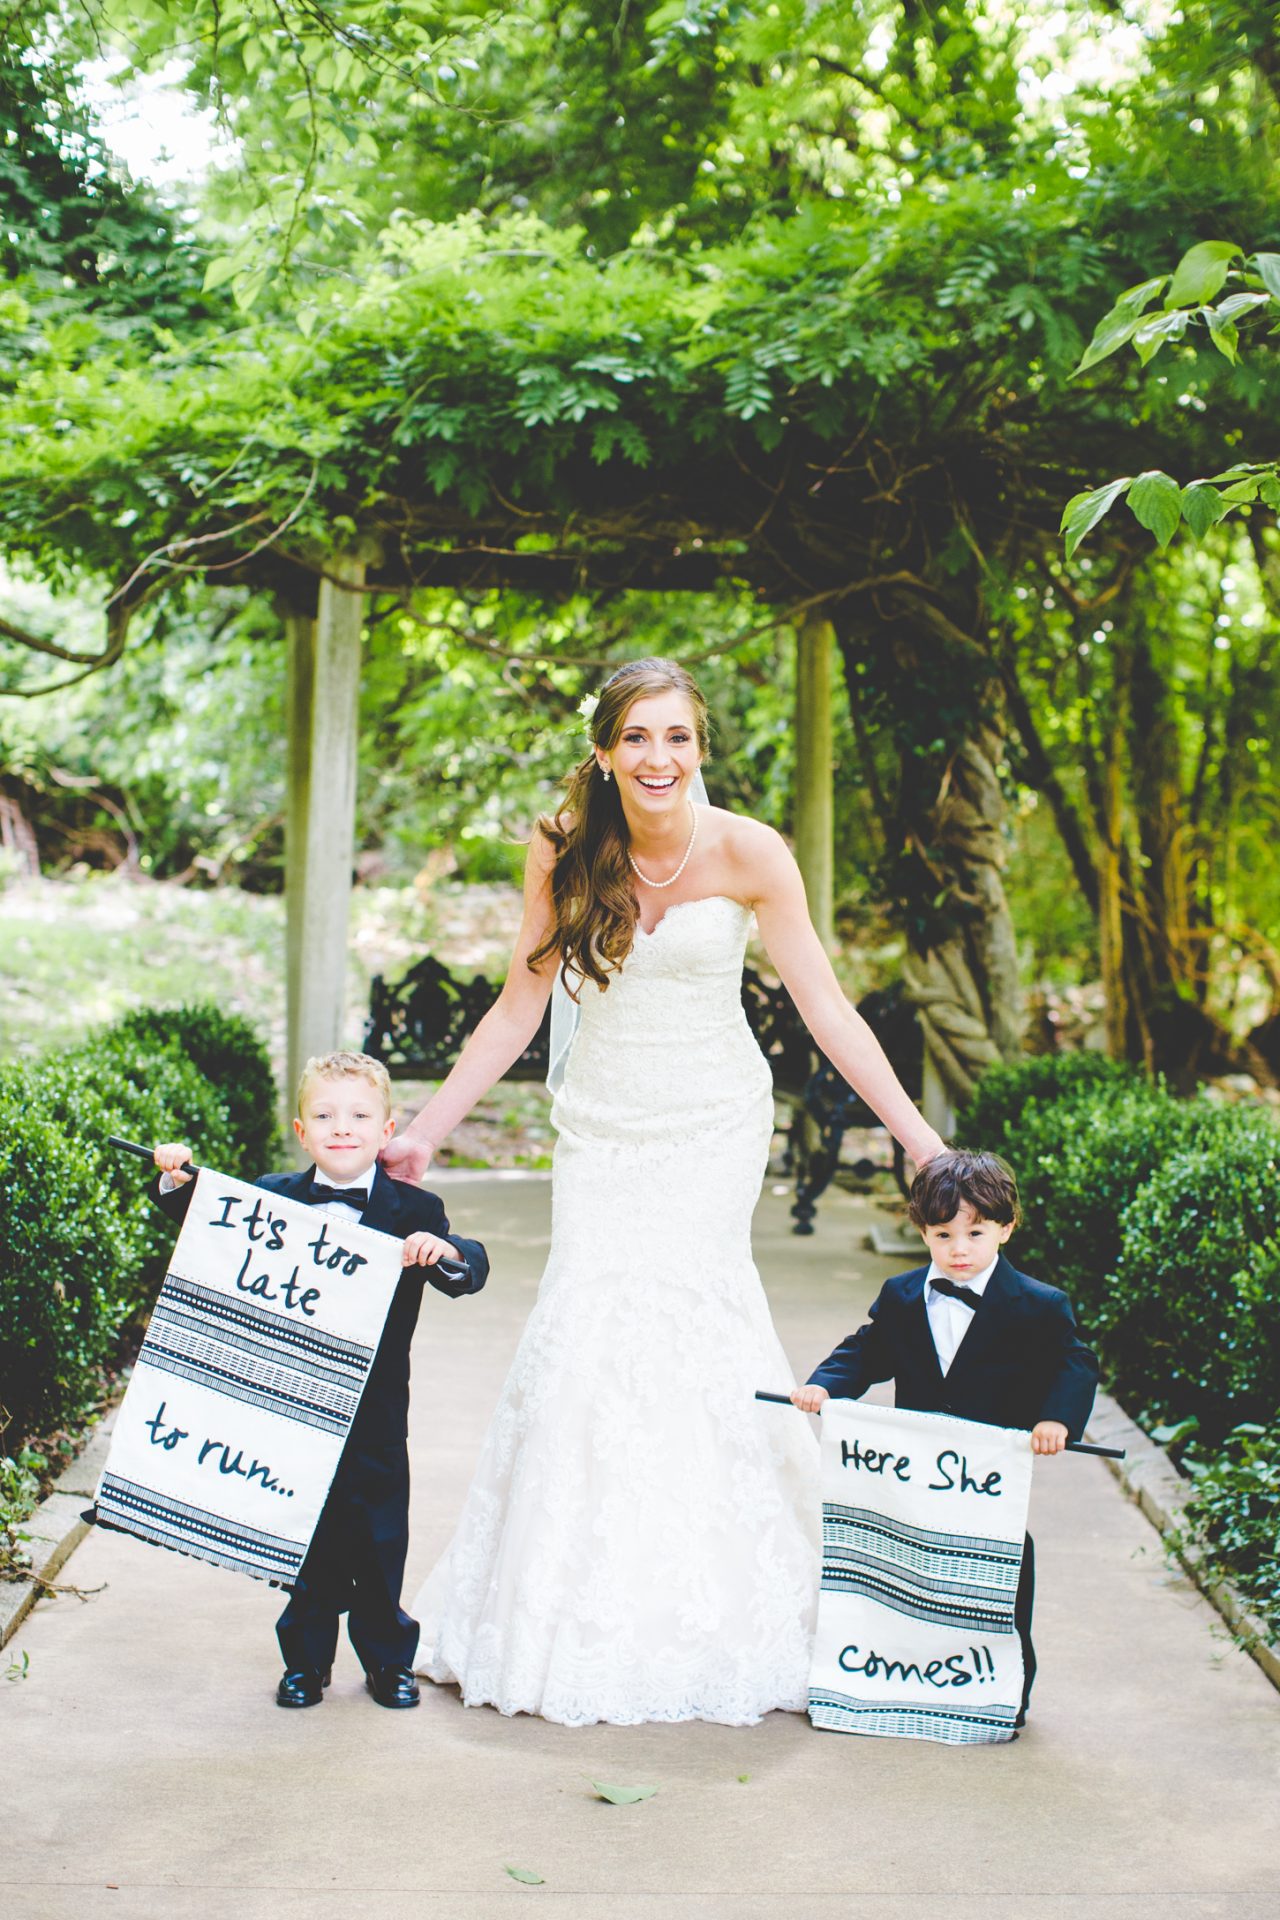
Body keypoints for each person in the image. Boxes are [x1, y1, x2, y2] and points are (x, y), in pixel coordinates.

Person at [381, 655, 945, 1727]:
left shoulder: (748, 851)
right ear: (602, 751)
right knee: (588, 1328)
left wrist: (914, 1138)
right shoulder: (560, 848)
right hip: (602, 1130)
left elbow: (824, 1009)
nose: (657, 758)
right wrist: (421, 1135)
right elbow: (517, 1009)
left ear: (699, 748)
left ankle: (729, 1593)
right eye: (636, 737)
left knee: (698, 1325)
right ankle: (565, 1601)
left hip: (710, 1125)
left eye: (676, 737)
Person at [151, 1049, 489, 1711]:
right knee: (304, 1542)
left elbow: (468, 1267)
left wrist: (442, 1253)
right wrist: (174, 1175)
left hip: (376, 1417)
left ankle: (389, 1663)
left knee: (381, 1542)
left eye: (360, 1115)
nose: (343, 1127)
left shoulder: (412, 1209)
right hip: (293, 1410)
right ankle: (305, 1662)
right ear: (302, 1131)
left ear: (387, 1130)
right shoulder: (274, 1197)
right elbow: (204, 1211)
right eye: (326, 1115)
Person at [791, 1147, 1099, 1725]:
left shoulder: (1038, 1304)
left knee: (999, 1567)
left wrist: (1056, 1419)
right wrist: (825, 1387)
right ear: (922, 1230)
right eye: (943, 1234)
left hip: (986, 1476)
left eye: (976, 1233)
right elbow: (867, 1349)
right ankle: (910, 1676)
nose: (959, 1250)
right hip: (920, 1466)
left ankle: (1004, 1690)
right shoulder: (903, 1295)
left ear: (1006, 1228)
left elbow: (1073, 1363)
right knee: (912, 1566)